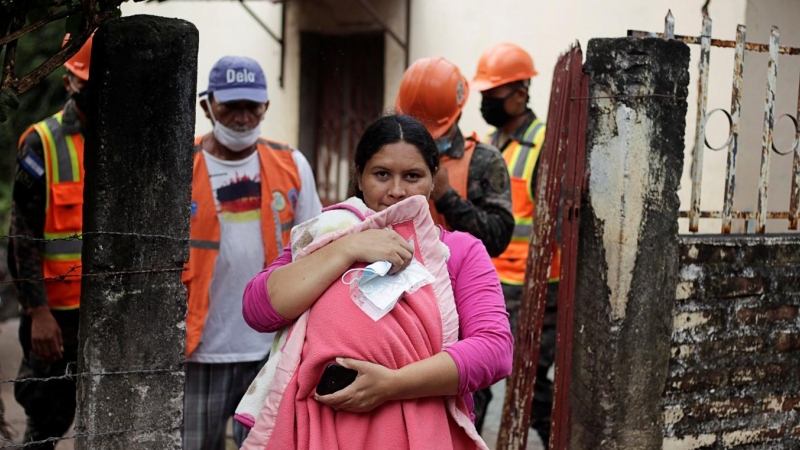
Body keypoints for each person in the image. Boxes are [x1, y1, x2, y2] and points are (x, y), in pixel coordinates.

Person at [240, 114, 513, 449]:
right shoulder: (329, 234)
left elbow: (494, 350)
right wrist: (347, 248)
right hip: (324, 432)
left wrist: (392, 384)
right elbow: (259, 310)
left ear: (433, 180)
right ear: (359, 176)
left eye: (413, 176)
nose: (396, 191)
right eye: (382, 174)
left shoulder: (459, 252)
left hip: (423, 431)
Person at [183, 55, 322, 450]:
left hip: (272, 348)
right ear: (207, 105)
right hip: (199, 350)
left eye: (252, 106)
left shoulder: (291, 164)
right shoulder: (181, 165)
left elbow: (313, 251)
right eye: (231, 106)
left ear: (266, 106)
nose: (243, 117)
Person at [394, 56, 513, 432]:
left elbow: (498, 236)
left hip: (460, 313)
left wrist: (446, 197)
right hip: (399, 306)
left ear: (457, 114)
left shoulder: (484, 161)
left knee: (457, 418)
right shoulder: (392, 152)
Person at [8, 33, 93, 450]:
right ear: (69, 83)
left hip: (107, 313)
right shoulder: (41, 143)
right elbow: (22, 235)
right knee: (46, 424)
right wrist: (37, 310)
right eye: (89, 86)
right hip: (56, 319)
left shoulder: (132, 145)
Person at [472, 42, 560, 445]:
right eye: (484, 95)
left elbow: (556, 219)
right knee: (475, 377)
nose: (486, 102)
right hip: (488, 279)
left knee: (533, 383)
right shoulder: (490, 141)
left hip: (534, 285)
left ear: (520, 95)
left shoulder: (546, 142)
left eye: (493, 95)